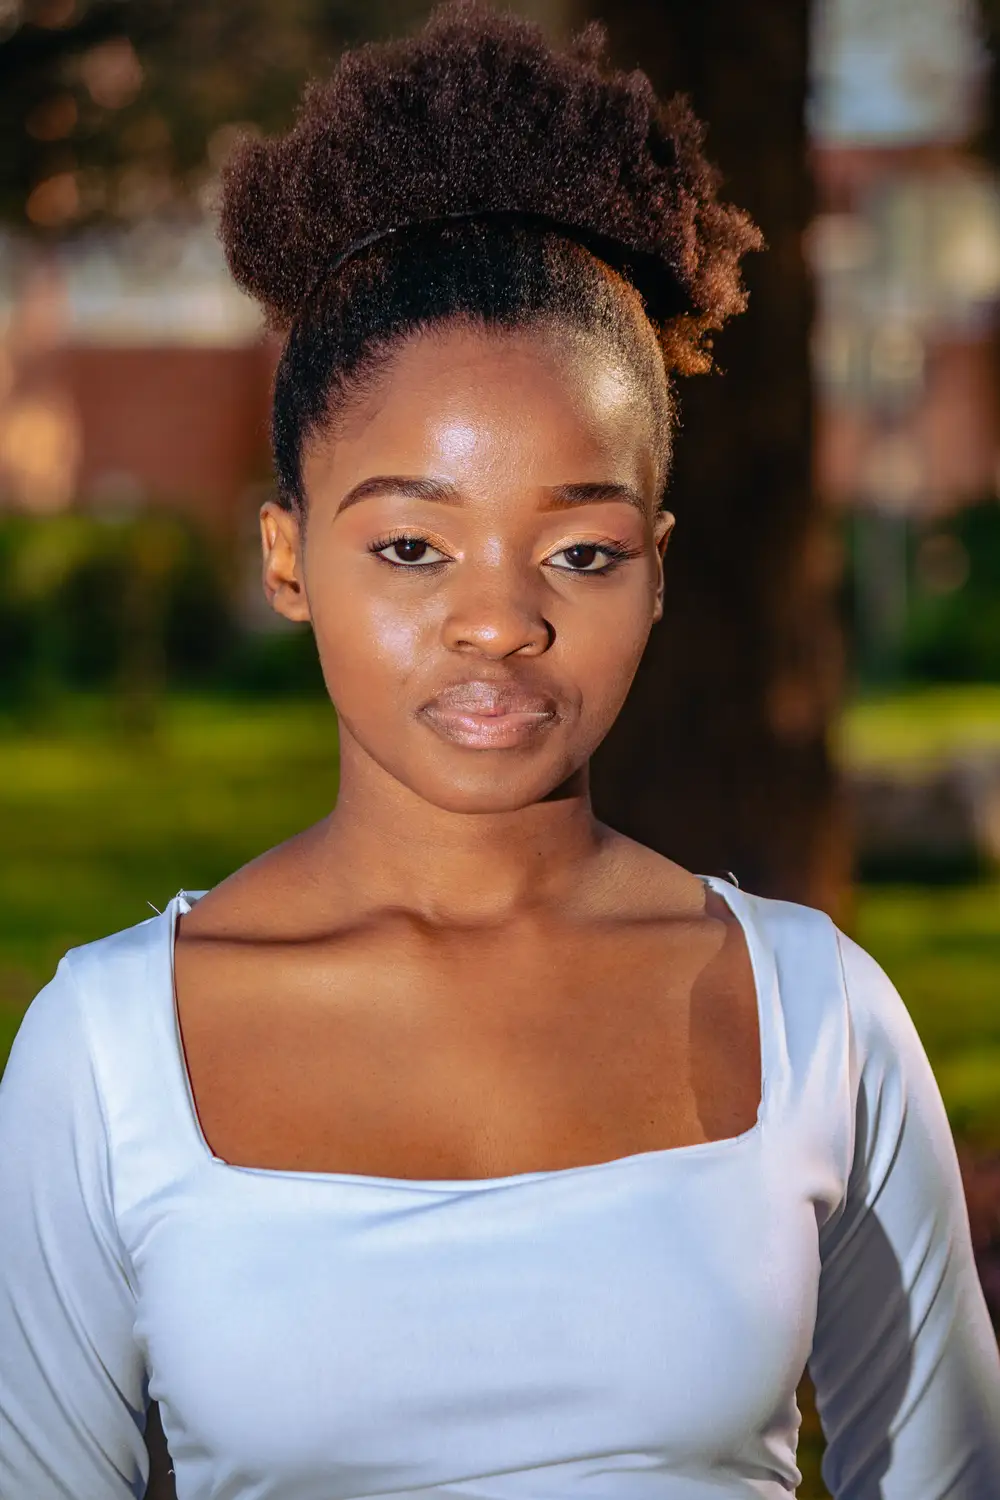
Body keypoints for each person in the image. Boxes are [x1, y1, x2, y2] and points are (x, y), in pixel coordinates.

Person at [2, 4, 999, 1497]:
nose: (500, 625)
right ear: (288, 557)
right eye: (412, 545)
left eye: (583, 554)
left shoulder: (814, 1015)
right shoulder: (111, 1053)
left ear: (658, 566)